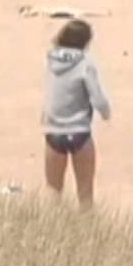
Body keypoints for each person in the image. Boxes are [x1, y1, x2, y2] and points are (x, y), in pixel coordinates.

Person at [42, 20, 110, 209]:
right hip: (79, 130)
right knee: (85, 192)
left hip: (53, 130)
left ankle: (50, 231)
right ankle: (87, 234)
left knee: (53, 190)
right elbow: (97, 98)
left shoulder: (51, 59)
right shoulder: (85, 64)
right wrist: (106, 113)